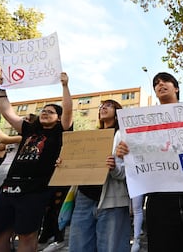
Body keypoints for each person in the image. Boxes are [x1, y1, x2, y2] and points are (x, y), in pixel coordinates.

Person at [116, 72, 183, 252]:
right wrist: (125, 153)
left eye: (165, 81)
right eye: (156, 83)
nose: (160, 84)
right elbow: (137, 153)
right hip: (161, 199)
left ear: (177, 87)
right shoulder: (142, 123)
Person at [0, 72, 73, 252]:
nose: (45, 113)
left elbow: (68, 111)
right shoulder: (28, 130)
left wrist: (64, 86)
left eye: (51, 112)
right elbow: (7, 112)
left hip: (35, 191)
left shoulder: (60, 132)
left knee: (27, 236)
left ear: (58, 118)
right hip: (8, 188)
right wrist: (1, 90)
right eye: (43, 110)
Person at [68, 99, 130, 252]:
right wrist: (64, 163)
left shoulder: (124, 136)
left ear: (117, 112)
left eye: (109, 105)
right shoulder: (90, 137)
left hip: (112, 199)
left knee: (111, 247)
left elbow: (124, 173)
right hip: (84, 198)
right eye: (102, 106)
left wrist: (113, 168)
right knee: (79, 246)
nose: (103, 108)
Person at [0, 116, 36, 252]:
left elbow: (3, 139)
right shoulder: (14, 138)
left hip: (14, 181)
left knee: (10, 224)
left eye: (27, 119)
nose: (21, 120)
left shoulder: (29, 138)